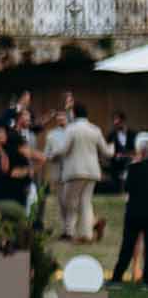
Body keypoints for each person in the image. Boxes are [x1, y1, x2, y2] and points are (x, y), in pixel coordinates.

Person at [59, 103, 113, 242]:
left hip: (75, 171)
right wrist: (113, 148)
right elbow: (106, 151)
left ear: (74, 114)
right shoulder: (95, 129)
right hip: (93, 171)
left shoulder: (71, 129)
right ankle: (86, 234)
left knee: (69, 202)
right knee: (85, 202)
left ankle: (69, 232)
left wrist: (53, 153)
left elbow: (64, 149)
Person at [111, 132, 148, 281]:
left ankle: (117, 277)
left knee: (127, 247)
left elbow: (127, 188)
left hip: (133, 212)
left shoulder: (133, 168)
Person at [107, 111, 132, 193]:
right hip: (116, 165)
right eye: (114, 121)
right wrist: (115, 155)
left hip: (130, 164)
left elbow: (136, 149)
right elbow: (109, 150)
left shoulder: (132, 134)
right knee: (117, 187)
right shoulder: (111, 135)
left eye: (118, 121)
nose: (116, 123)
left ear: (123, 121)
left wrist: (127, 155)